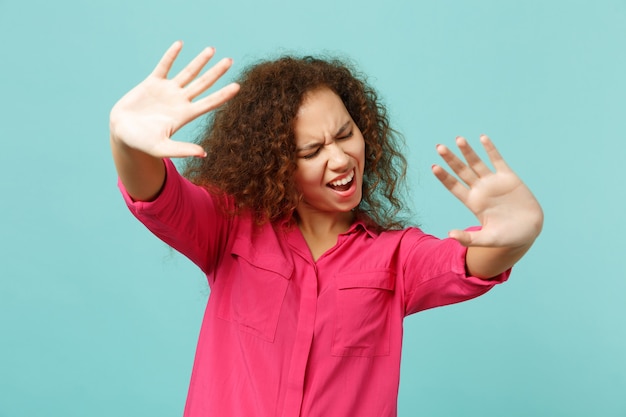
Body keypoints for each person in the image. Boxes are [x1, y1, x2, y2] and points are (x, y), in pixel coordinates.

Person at [109, 41, 543, 417]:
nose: (339, 159)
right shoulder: (228, 228)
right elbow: (159, 196)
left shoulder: (396, 257)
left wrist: (516, 236)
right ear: (276, 164)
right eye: (313, 150)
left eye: (344, 134)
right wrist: (127, 142)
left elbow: (470, 262)